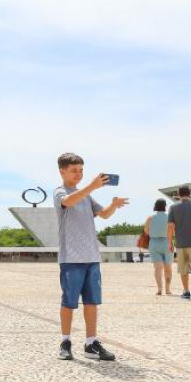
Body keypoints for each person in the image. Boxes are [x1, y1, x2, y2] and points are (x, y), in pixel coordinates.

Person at [54, 153, 128, 362]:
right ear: (62, 171)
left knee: (91, 302)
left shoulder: (86, 195)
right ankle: (65, 341)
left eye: (81, 170)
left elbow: (103, 214)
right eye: (74, 171)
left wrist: (114, 204)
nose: (79, 174)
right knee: (69, 301)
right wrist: (92, 186)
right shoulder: (60, 192)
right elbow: (68, 201)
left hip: (92, 257)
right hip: (71, 258)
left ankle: (90, 343)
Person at [143, 199, 173, 295]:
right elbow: (173, 231)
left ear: (155, 206)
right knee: (168, 268)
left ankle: (160, 289)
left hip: (154, 243)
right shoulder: (169, 217)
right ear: (165, 206)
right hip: (167, 242)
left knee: (157, 268)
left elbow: (146, 231)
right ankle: (168, 290)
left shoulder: (150, 218)